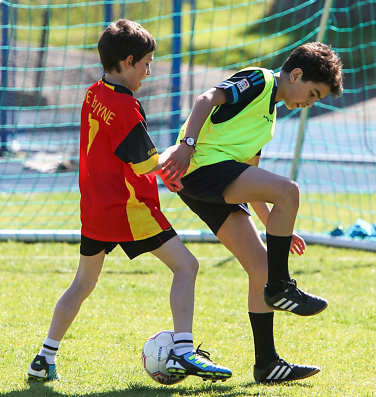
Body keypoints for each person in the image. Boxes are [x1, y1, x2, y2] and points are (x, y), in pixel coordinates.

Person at [27, 19, 232, 383]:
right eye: (147, 64)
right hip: (128, 209)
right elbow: (145, 163)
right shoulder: (125, 107)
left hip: (95, 209)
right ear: (127, 61)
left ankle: (45, 356)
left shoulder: (93, 92)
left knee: (82, 285)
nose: (149, 72)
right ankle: (184, 350)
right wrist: (178, 154)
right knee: (187, 267)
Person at [161, 42, 344, 383]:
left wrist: (278, 227)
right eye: (313, 93)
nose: (309, 103)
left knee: (260, 266)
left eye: (316, 99)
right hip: (201, 168)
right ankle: (282, 286)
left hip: (210, 184)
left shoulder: (269, 121)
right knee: (289, 190)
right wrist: (186, 147)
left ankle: (267, 364)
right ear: (297, 74)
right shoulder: (259, 81)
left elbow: (251, 177)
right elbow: (205, 99)